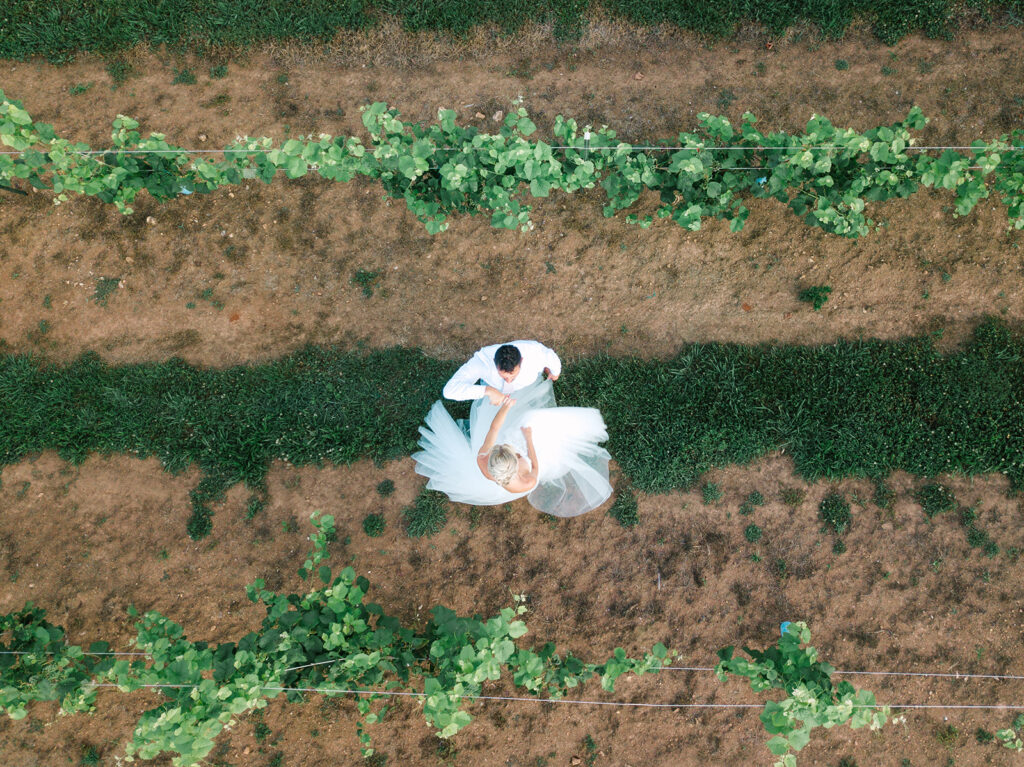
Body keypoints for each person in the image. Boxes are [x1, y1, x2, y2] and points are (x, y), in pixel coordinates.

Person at [413, 375, 612, 517]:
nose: (501, 447)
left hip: (514, 448)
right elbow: (535, 463)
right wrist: (529, 439)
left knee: (527, 417)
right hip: (533, 451)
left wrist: (506, 408)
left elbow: (494, 427)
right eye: (512, 455)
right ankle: (584, 427)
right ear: (515, 463)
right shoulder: (525, 483)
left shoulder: (483, 457)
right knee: (536, 427)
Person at [443, 340, 562, 405]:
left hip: (525, 389)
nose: (509, 380)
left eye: (513, 375)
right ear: (494, 362)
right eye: (503, 376)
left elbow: (551, 357)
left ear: (521, 361)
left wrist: (555, 372)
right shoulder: (481, 362)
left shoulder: (535, 353)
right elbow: (449, 391)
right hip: (496, 391)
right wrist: (488, 391)